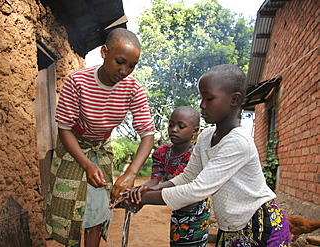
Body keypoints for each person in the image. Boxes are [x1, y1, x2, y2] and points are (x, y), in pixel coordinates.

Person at [111, 64, 292, 247]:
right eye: (201, 98)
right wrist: (146, 191)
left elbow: (197, 189)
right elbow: (188, 176)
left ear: (235, 99)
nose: (202, 105)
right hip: (230, 228)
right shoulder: (206, 136)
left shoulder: (238, 142)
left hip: (259, 226)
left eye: (209, 98)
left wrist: (141, 198)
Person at [45, 27, 155, 247]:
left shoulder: (133, 89)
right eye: (120, 61)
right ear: (104, 52)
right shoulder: (77, 82)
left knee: (96, 209)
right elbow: (64, 129)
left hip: (101, 147)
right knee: (68, 210)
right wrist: (86, 165)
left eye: (132, 66)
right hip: (73, 146)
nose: (125, 71)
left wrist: (131, 173)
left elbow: (148, 135)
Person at [129, 106, 211, 246]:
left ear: (195, 131)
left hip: (196, 212)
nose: (174, 129)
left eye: (181, 126)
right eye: (171, 125)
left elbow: (178, 182)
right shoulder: (162, 152)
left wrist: (144, 197)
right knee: (176, 241)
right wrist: (139, 190)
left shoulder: (195, 156)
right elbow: (154, 180)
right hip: (177, 209)